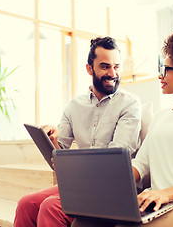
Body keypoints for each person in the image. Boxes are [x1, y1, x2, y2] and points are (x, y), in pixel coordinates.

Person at [72, 32, 173, 227]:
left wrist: (165, 193)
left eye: (166, 69)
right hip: (161, 203)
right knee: (84, 222)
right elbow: (140, 164)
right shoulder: (161, 117)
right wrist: (103, 178)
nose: (160, 75)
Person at [14, 36, 142, 227]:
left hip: (113, 188)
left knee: (51, 207)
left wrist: (75, 169)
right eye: (105, 66)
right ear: (89, 68)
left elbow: (114, 163)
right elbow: (58, 158)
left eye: (116, 66)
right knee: (26, 203)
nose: (113, 73)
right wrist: (54, 141)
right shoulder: (74, 106)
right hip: (82, 186)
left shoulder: (129, 104)